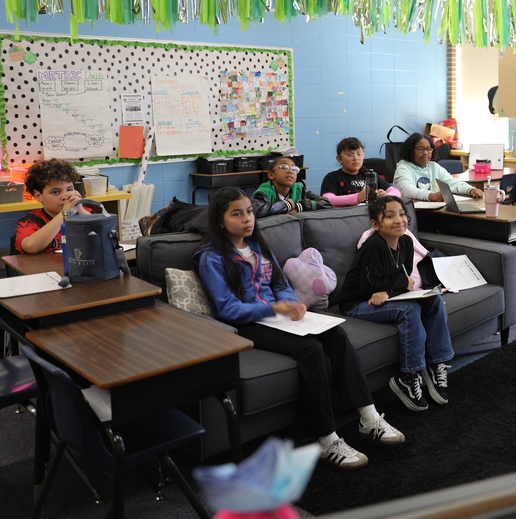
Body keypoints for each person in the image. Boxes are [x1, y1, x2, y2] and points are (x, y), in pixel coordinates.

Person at [194, 187, 403, 468]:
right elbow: (225, 308)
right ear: (220, 221)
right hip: (246, 323)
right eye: (237, 214)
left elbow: (279, 284)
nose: (247, 219)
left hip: (277, 317)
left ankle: (368, 417)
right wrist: (273, 309)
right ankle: (326, 439)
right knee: (311, 350)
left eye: (250, 212)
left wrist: (293, 304)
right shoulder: (212, 256)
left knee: (336, 335)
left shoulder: (257, 246)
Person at [339, 196, 454, 412]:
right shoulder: (373, 245)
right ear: (376, 224)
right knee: (409, 309)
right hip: (356, 303)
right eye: (389, 216)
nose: (398, 220)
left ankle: (436, 363)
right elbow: (368, 286)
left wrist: (391, 290)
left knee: (434, 299)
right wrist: (396, 286)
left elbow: (404, 282)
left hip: (383, 296)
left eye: (402, 214)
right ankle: (408, 376)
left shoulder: (406, 242)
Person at [14, 158, 88, 254]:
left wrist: (80, 210)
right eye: (56, 192)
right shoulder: (31, 221)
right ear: (38, 195)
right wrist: (64, 213)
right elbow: (30, 247)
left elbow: (108, 235)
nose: (65, 197)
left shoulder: (86, 212)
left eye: (69, 190)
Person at [393, 133, 483, 202]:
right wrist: (430, 195)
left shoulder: (433, 167)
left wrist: (470, 190)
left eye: (428, 149)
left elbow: (452, 182)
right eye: (420, 149)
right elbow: (406, 189)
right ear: (410, 151)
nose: (425, 153)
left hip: (435, 211)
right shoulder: (403, 167)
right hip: (415, 214)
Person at [320, 137, 400, 207]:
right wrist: (357, 197)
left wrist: (387, 196)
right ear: (339, 159)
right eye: (349, 155)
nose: (356, 158)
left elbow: (396, 192)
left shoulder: (370, 175)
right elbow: (328, 199)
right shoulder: (332, 177)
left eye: (359, 154)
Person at [252, 157, 330, 217]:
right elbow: (257, 210)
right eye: (284, 168)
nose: (290, 171)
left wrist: (299, 206)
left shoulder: (299, 190)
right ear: (271, 175)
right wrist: (287, 205)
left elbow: (325, 203)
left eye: (294, 169)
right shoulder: (264, 192)